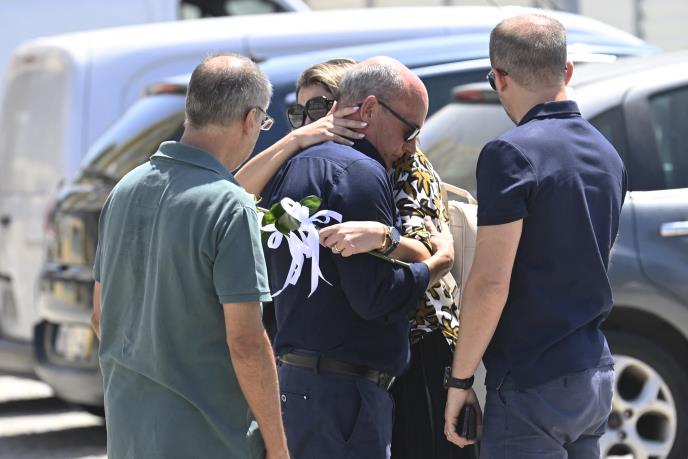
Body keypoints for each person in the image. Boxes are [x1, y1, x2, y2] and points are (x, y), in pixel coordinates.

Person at [241, 58, 468, 459]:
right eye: (299, 114)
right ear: (368, 108)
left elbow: (421, 245)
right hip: (345, 389)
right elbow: (374, 297)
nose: (312, 122)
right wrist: (437, 265)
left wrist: (385, 237)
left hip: (305, 382)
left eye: (320, 108)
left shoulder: (295, 171)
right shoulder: (355, 171)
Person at [443, 14, 626, 459]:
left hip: (531, 382)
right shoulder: (607, 153)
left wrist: (459, 381)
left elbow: (490, 283)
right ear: (567, 71)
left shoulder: (509, 154)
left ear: (500, 78)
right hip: (592, 372)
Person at [91, 54, 289, 459]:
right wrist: (278, 448)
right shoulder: (230, 205)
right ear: (250, 119)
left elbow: (98, 316)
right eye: (264, 123)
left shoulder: (124, 190)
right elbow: (246, 342)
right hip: (211, 439)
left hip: (129, 435)